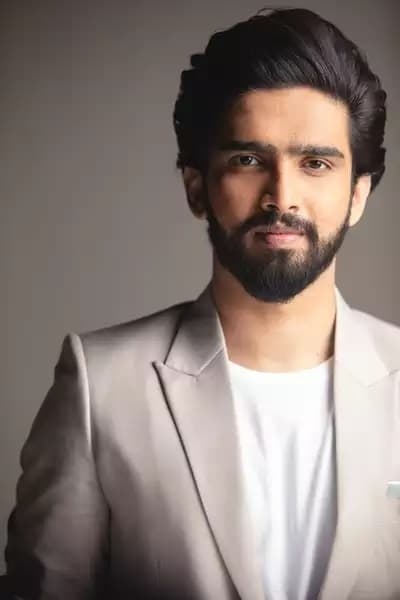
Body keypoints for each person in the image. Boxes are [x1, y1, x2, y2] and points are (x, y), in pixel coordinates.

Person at [4, 7, 399, 600]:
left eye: (315, 163)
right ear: (197, 188)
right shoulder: (99, 388)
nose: (282, 197)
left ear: (358, 194)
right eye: (248, 160)